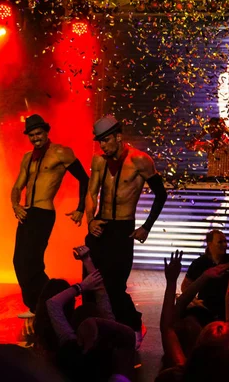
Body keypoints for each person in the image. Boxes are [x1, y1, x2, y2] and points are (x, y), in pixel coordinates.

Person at [85, 115, 167, 347]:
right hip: (100, 227)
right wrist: (90, 221)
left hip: (123, 229)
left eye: (106, 140)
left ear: (119, 137)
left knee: (114, 285)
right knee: (90, 283)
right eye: (100, 141)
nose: (103, 145)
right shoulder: (99, 161)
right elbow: (91, 194)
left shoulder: (140, 160)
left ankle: (132, 325)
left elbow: (161, 194)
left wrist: (147, 227)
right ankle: (93, 330)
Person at [11, 114, 89, 318]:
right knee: (19, 262)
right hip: (27, 213)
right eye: (32, 135)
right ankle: (36, 305)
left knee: (33, 262)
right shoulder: (28, 157)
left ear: (46, 132)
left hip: (43, 212)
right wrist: (15, 205)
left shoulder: (61, 152)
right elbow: (17, 186)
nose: (35, 138)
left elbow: (84, 179)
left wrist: (80, 207)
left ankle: (57, 301)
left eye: (38, 133)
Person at [181, 230, 229, 320]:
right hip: (205, 311)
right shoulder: (199, 263)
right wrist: (195, 301)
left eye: (225, 241)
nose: (224, 245)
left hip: (227, 310)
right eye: (220, 242)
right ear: (210, 245)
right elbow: (185, 286)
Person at [187, 117, 229, 181]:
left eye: (215, 127)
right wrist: (202, 133)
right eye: (211, 127)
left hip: (226, 181)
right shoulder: (209, 144)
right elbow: (190, 146)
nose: (212, 130)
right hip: (211, 180)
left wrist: (228, 132)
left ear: (222, 128)